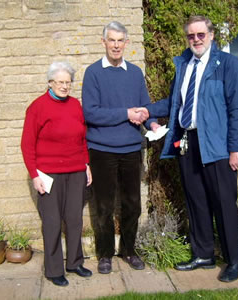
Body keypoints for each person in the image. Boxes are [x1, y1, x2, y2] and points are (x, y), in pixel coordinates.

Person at [139, 15, 238, 282]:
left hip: (219, 146)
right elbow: (175, 102)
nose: (196, 40)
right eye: (191, 36)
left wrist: (236, 149)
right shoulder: (184, 64)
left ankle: (234, 261)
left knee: (224, 204)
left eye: (201, 35)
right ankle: (203, 255)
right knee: (196, 201)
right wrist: (147, 110)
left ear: (211, 35)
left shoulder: (227, 64)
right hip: (188, 142)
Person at [82, 21, 158, 274]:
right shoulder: (93, 73)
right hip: (102, 150)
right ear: (103, 42)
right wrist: (126, 113)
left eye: (120, 40)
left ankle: (128, 250)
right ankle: (105, 254)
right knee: (103, 205)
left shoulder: (135, 73)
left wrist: (153, 123)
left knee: (132, 204)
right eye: (111, 40)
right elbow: (91, 114)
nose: (116, 45)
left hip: (130, 149)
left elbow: (145, 106)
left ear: (127, 43)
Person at [21, 61, 93, 287]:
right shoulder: (37, 107)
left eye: (68, 82)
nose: (64, 86)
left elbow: (82, 138)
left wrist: (86, 164)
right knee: (52, 222)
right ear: (50, 83)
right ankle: (53, 270)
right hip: (48, 174)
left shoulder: (75, 105)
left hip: (75, 171)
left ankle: (74, 262)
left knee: (74, 220)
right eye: (60, 82)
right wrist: (34, 175)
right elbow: (27, 144)